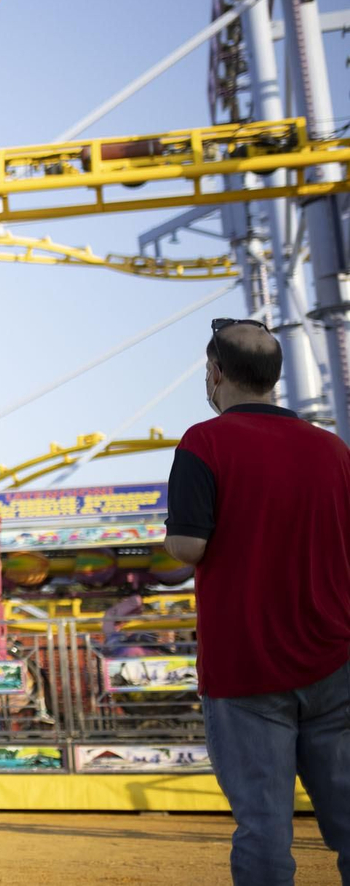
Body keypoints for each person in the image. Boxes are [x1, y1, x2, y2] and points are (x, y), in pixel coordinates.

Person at [164, 318, 350, 883]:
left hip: (246, 668)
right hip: (335, 659)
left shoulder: (205, 441)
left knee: (265, 830)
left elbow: (188, 546)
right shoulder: (333, 449)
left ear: (216, 374)